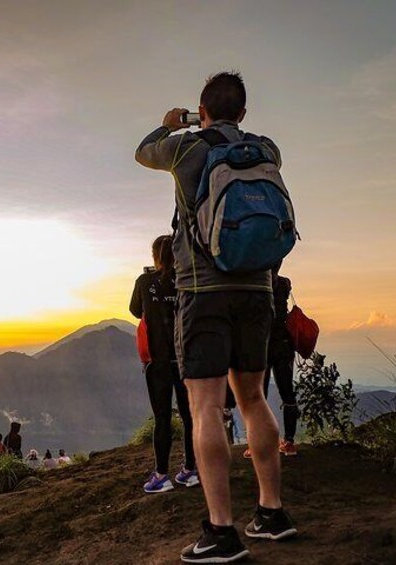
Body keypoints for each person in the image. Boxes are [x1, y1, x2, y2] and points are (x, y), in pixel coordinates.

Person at [136, 71, 297, 563]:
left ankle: (221, 531)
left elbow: (145, 150)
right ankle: (271, 512)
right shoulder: (265, 148)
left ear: (200, 111)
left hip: (203, 291)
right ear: (243, 113)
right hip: (257, 290)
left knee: (206, 406)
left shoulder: (186, 149)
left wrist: (170, 126)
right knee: (252, 397)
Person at [130, 234, 199, 493]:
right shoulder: (186, 280)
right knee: (189, 415)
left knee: (162, 418)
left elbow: (136, 310)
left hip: (157, 361)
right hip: (185, 358)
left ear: (156, 257)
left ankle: (161, 475)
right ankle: (190, 470)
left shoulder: (145, 281)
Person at [266, 267, 300, 457]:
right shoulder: (284, 283)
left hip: (263, 345)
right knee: (288, 393)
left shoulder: (258, 284)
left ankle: (257, 443)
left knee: (258, 396)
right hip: (284, 345)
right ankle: (289, 441)